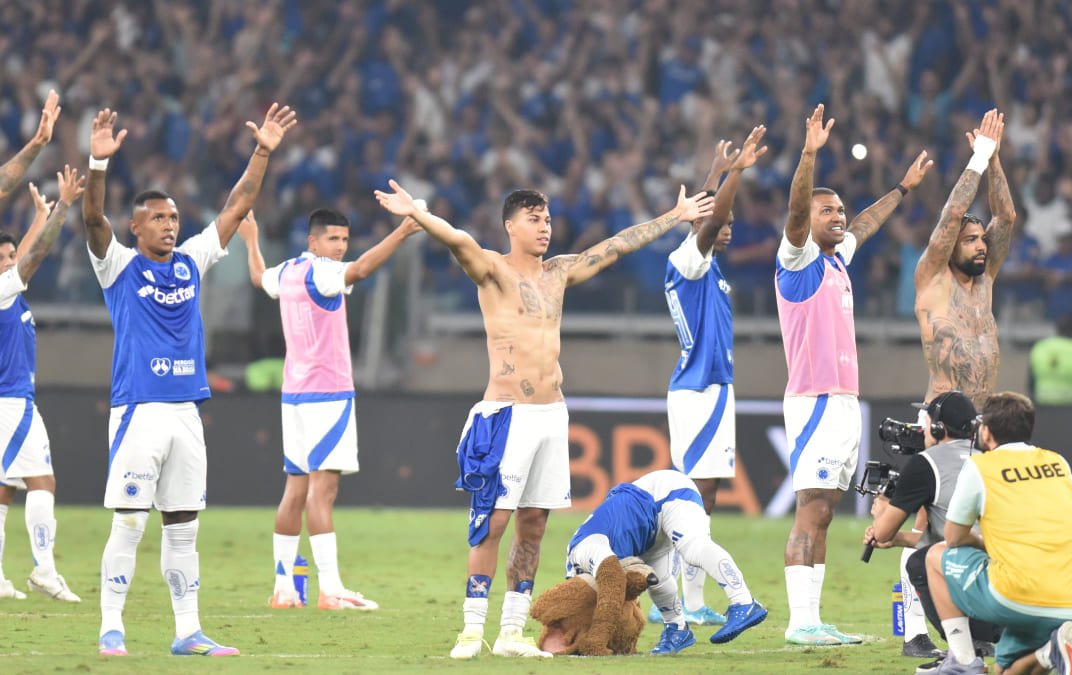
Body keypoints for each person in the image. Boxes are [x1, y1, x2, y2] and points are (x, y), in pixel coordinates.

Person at [374, 179, 714, 659]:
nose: (545, 227)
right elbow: (456, 239)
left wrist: (673, 217)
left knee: (533, 525)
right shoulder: (492, 270)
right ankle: (472, 630)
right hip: (506, 416)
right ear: (511, 226)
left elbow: (614, 247)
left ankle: (512, 631)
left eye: (548, 220)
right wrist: (417, 213)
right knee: (493, 524)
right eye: (534, 219)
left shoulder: (558, 272)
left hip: (552, 415)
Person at [83, 103, 296, 656]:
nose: (170, 225)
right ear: (136, 226)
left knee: (183, 528)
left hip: (186, 413)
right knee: (129, 523)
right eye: (158, 218)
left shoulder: (190, 263)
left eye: (174, 218)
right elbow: (91, 221)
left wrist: (263, 151)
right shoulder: (120, 266)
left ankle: (187, 633)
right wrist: (98, 166)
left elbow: (236, 205)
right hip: (138, 411)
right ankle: (111, 627)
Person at [777, 103, 933, 646]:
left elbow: (865, 224)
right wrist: (808, 156)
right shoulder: (796, 260)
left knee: (825, 511)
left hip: (843, 400)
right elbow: (798, 212)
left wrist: (902, 190)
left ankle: (813, 620)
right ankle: (800, 622)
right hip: (816, 399)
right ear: (808, 222)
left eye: (840, 210)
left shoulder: (837, 259)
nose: (839, 216)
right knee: (811, 508)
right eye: (829, 211)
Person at [239, 206, 422, 611]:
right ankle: (331, 589)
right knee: (324, 492)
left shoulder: (287, 271)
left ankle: (283, 589)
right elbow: (360, 271)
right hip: (328, 394)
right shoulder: (322, 272)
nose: (339, 247)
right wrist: (403, 231)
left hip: (294, 395)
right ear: (313, 242)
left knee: (295, 489)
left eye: (343, 240)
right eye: (332, 240)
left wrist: (251, 241)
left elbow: (258, 278)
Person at [907, 108, 1015, 656]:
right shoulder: (932, 278)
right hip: (942, 426)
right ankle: (915, 634)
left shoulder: (984, 282)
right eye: (970, 240)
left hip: (985, 427)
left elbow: (1008, 217)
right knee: (933, 533)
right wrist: (974, 159)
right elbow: (950, 216)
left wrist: (994, 159)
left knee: (978, 534)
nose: (979, 245)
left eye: (981, 240)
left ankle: (978, 630)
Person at [656, 126, 767, 626]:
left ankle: (691, 604)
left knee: (706, 498)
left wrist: (717, 170)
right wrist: (736, 172)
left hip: (714, 390)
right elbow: (707, 217)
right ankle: (680, 603)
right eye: (723, 223)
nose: (728, 228)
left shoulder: (707, 265)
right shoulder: (689, 262)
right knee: (693, 501)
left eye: (731, 224)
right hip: (698, 391)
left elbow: (704, 213)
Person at [925, 392, 1072, 675]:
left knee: (935, 556)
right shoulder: (1059, 463)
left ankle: (963, 662)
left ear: (986, 432)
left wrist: (982, 542)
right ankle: (1051, 652)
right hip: (1070, 604)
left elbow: (953, 537)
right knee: (1005, 670)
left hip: (1015, 595)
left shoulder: (980, 467)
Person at [863, 392, 1001, 673]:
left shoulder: (926, 463)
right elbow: (959, 535)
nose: (922, 429)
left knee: (920, 563)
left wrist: (882, 511)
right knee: (939, 553)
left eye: (926, 422)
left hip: (982, 603)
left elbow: (883, 529)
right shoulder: (989, 458)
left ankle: (963, 655)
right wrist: (899, 540)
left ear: (938, 428)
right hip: (1017, 592)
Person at [564, 469, 768, 655]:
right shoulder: (580, 571)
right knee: (658, 579)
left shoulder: (584, 549)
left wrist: (596, 638)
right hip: (646, 533)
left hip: (664, 493)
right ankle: (677, 629)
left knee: (693, 547)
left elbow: (612, 580)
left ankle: (744, 601)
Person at [1, 163, 85, 604]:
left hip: (11, 401)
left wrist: (36, 219)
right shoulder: (2, 290)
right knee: (42, 481)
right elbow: (31, 261)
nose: (9, 263)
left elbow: (22, 261)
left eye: (8, 256)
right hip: (10, 402)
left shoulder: (8, 289)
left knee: (4, 488)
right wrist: (63, 209)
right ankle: (44, 570)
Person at [1028, 316, 1072, 406]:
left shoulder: (1040, 348)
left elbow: (1031, 384)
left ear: (1057, 329)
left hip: (1042, 405)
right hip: (1070, 407)